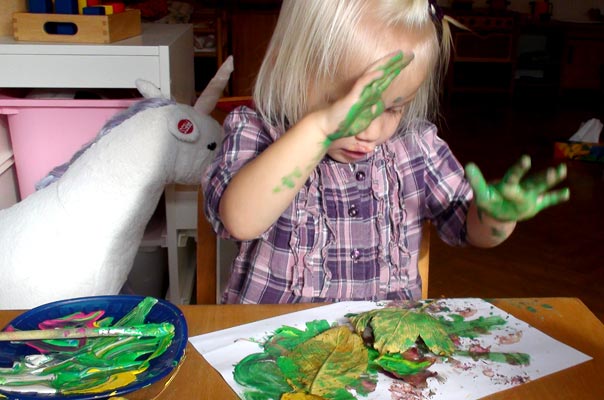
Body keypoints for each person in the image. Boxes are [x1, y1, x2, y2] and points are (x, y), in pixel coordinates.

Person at [202, 0, 569, 303]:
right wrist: (320, 127)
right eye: (347, 105)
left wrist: (496, 218)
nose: (370, 130)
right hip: (272, 355)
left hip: (383, 358)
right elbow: (240, 220)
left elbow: (469, 228)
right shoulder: (256, 129)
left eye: (393, 108)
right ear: (292, 69)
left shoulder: (415, 148)